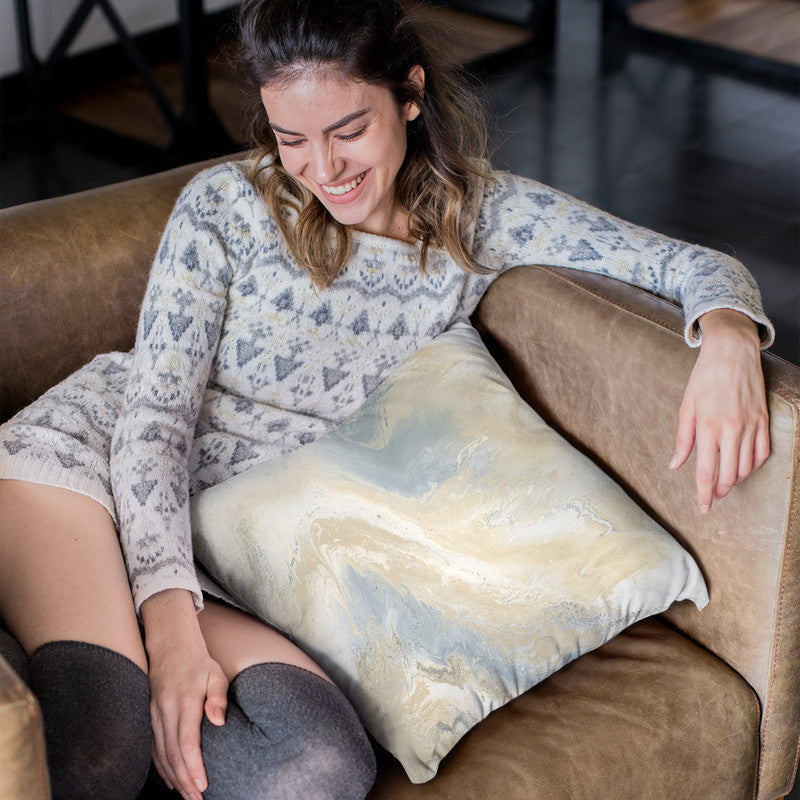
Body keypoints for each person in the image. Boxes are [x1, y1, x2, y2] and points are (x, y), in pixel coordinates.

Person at [0, 0, 773, 798]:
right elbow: (154, 423)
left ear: (410, 93)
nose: (323, 168)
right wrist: (168, 638)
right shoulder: (226, 205)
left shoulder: (483, 218)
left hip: (227, 542)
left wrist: (727, 334)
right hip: (87, 470)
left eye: (348, 130)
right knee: (103, 752)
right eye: (291, 139)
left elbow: (688, 264)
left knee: (317, 770)